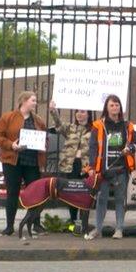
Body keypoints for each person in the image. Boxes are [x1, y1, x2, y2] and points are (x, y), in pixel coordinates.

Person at [0, 91, 47, 236]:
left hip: (32, 162)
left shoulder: (38, 120)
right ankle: (9, 227)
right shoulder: (8, 117)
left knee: (36, 194)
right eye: (33, 100)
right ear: (24, 101)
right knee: (12, 192)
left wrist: (43, 144)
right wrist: (11, 145)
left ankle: (36, 224)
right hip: (12, 161)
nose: (36, 103)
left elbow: (45, 137)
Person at [86, 94, 136, 240]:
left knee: (120, 199)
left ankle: (119, 229)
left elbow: (135, 144)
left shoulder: (128, 125)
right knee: (101, 198)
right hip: (104, 169)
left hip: (121, 169)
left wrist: (130, 148)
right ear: (106, 108)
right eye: (112, 105)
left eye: (117, 105)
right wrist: (91, 167)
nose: (115, 107)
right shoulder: (98, 125)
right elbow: (93, 147)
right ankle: (98, 229)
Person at [48, 100, 94, 234]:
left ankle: (83, 223)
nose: (79, 114)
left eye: (83, 111)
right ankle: (73, 222)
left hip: (86, 166)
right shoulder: (70, 128)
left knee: (85, 194)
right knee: (72, 192)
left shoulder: (95, 129)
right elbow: (58, 124)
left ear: (88, 114)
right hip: (71, 165)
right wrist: (53, 111)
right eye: (78, 111)